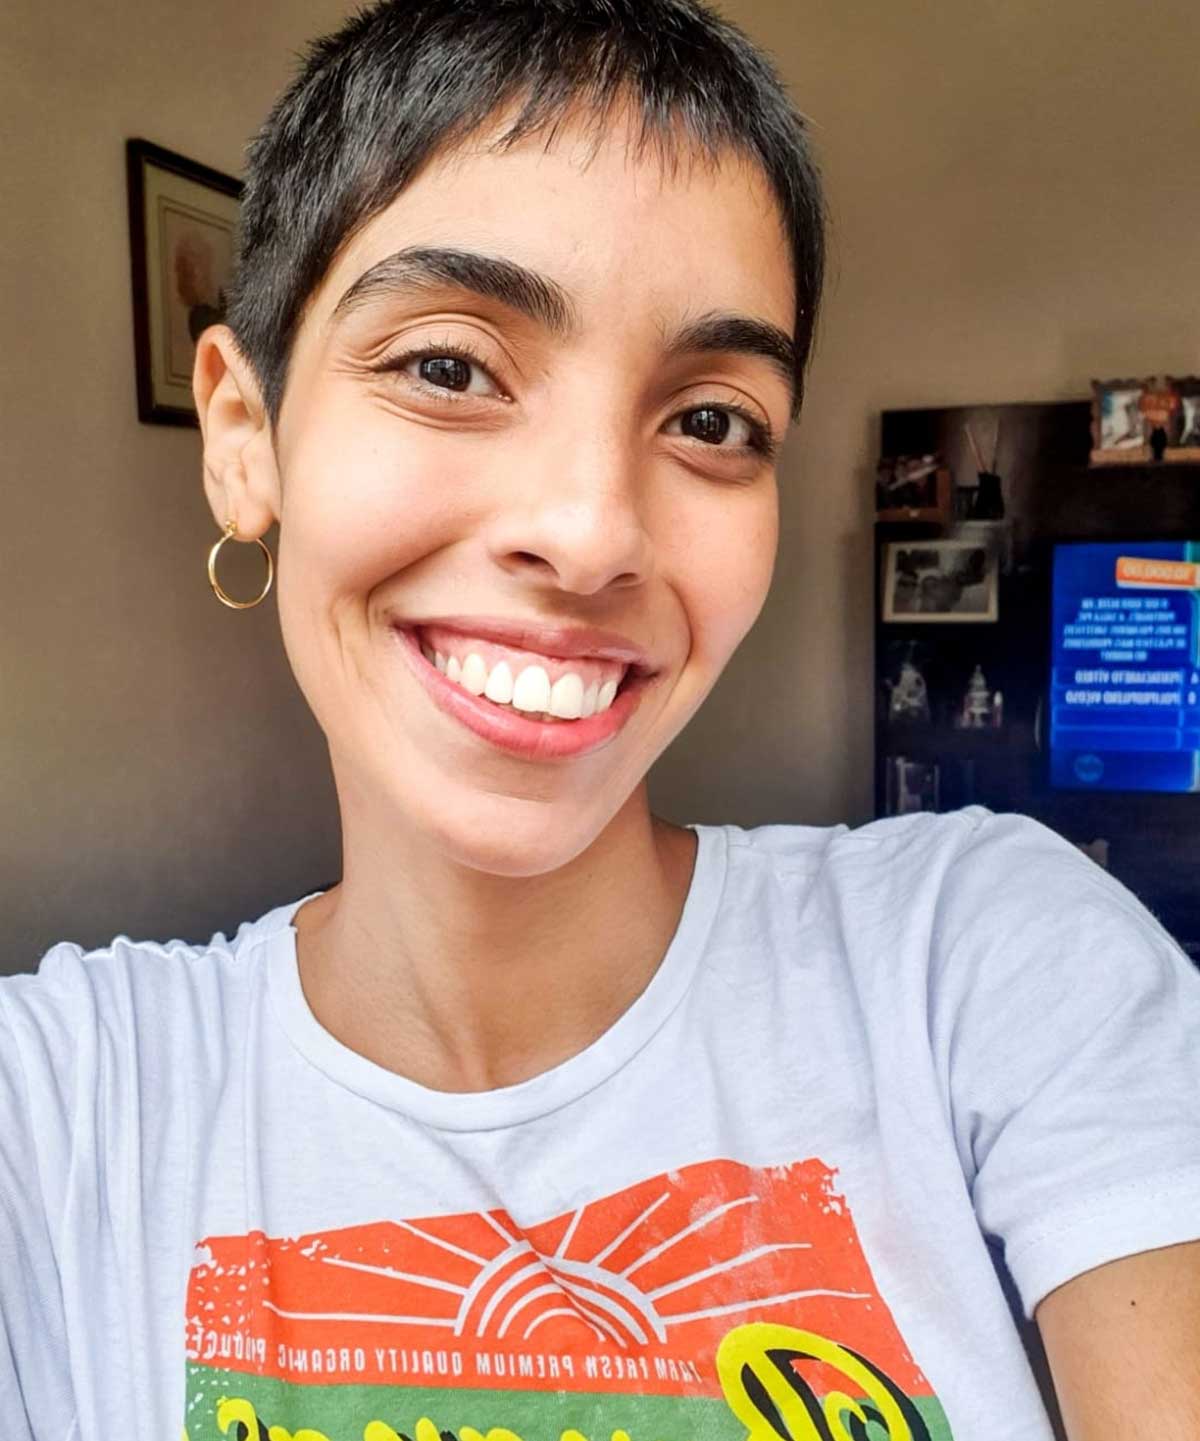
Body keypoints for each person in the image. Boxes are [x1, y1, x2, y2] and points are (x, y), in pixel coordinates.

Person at [3, 3, 1199, 1438]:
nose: (589, 533)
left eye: (711, 420)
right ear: (246, 436)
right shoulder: (59, 1115)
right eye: (449, 366)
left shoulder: (988, 962)